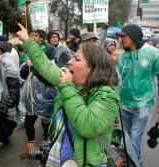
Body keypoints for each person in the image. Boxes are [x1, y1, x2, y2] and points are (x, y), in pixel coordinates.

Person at [17, 23, 119, 167]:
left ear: (93, 69)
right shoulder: (72, 81)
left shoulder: (108, 95)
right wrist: (28, 41)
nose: (70, 61)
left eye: (77, 59)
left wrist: (67, 87)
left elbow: (88, 126)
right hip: (61, 156)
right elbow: (46, 66)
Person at [116, 24, 159, 165]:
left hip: (144, 104)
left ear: (133, 37)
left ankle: (133, 163)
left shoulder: (152, 53)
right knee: (127, 137)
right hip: (124, 103)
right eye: (120, 37)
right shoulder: (122, 57)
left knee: (135, 137)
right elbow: (116, 81)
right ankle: (137, 160)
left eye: (124, 36)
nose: (121, 40)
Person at [19, 29, 57, 158]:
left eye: (36, 35)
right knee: (28, 122)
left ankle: (48, 145)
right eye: (33, 35)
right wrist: (27, 66)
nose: (33, 37)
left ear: (41, 38)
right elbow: (22, 74)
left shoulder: (49, 50)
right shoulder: (29, 51)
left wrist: (35, 67)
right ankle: (31, 146)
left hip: (47, 95)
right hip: (32, 95)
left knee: (46, 120)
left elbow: (49, 75)